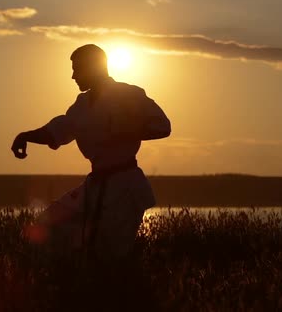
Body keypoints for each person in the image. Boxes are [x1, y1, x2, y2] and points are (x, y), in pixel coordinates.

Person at [11, 44, 171, 261]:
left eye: (77, 69)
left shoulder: (129, 95)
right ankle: (62, 280)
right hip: (94, 185)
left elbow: (162, 126)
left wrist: (127, 129)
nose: (73, 76)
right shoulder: (82, 105)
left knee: (112, 254)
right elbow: (59, 129)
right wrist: (26, 136)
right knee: (47, 224)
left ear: (93, 67)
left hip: (125, 185)